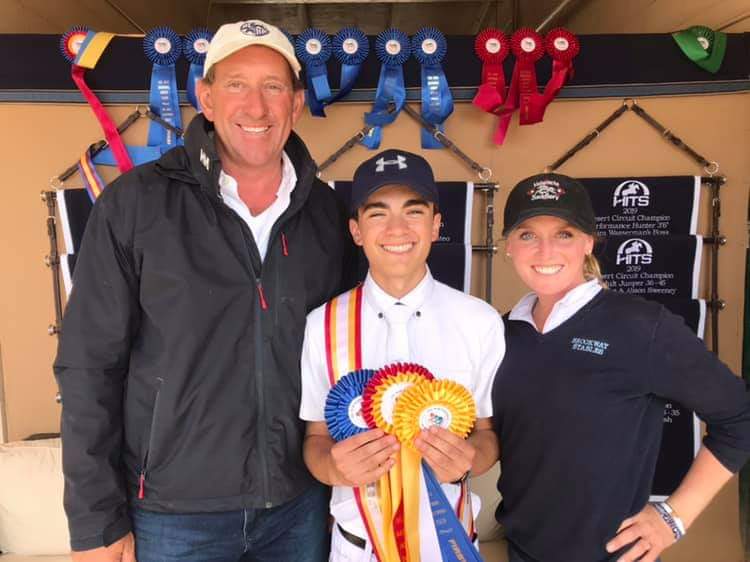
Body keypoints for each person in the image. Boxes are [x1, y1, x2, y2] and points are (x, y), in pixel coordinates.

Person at [54, 19, 353, 562]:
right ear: (206, 98)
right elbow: (87, 366)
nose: (256, 107)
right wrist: (95, 519)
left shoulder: (330, 216)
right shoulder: (134, 205)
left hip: (299, 506)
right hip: (173, 515)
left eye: (274, 86)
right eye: (237, 84)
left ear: (298, 102)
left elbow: (355, 358)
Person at [492, 172, 750, 562]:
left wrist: (674, 517)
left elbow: (739, 418)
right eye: (527, 235)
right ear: (508, 246)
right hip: (521, 552)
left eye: (564, 234)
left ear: (589, 242)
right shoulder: (501, 331)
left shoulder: (641, 326)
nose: (545, 252)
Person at [299, 149, 505, 560]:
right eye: (378, 213)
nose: (397, 228)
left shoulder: (478, 320)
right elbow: (315, 439)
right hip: (357, 549)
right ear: (356, 230)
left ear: (436, 225)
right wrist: (334, 469)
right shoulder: (323, 322)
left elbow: (487, 434)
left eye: (413, 212)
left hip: (449, 546)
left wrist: (469, 460)